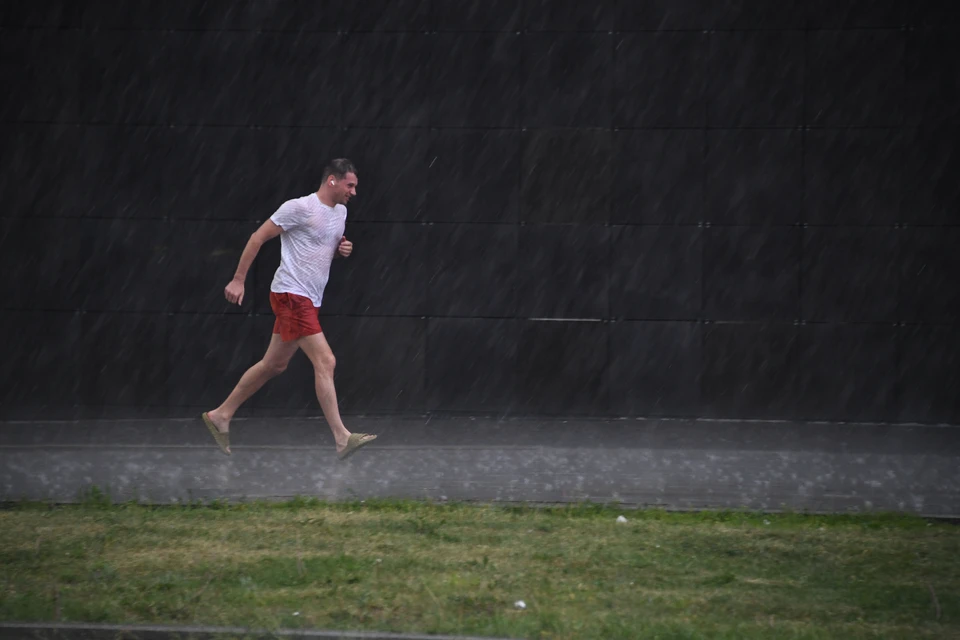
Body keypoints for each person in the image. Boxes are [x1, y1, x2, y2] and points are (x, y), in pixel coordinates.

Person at [201, 159, 376, 460]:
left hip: (309, 299)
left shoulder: (341, 213)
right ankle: (341, 437)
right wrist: (238, 280)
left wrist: (339, 251)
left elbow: (319, 250)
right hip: (291, 295)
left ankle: (221, 415)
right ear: (332, 181)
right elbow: (258, 238)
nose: (354, 192)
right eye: (350, 185)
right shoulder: (299, 207)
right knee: (326, 361)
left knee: (274, 365)